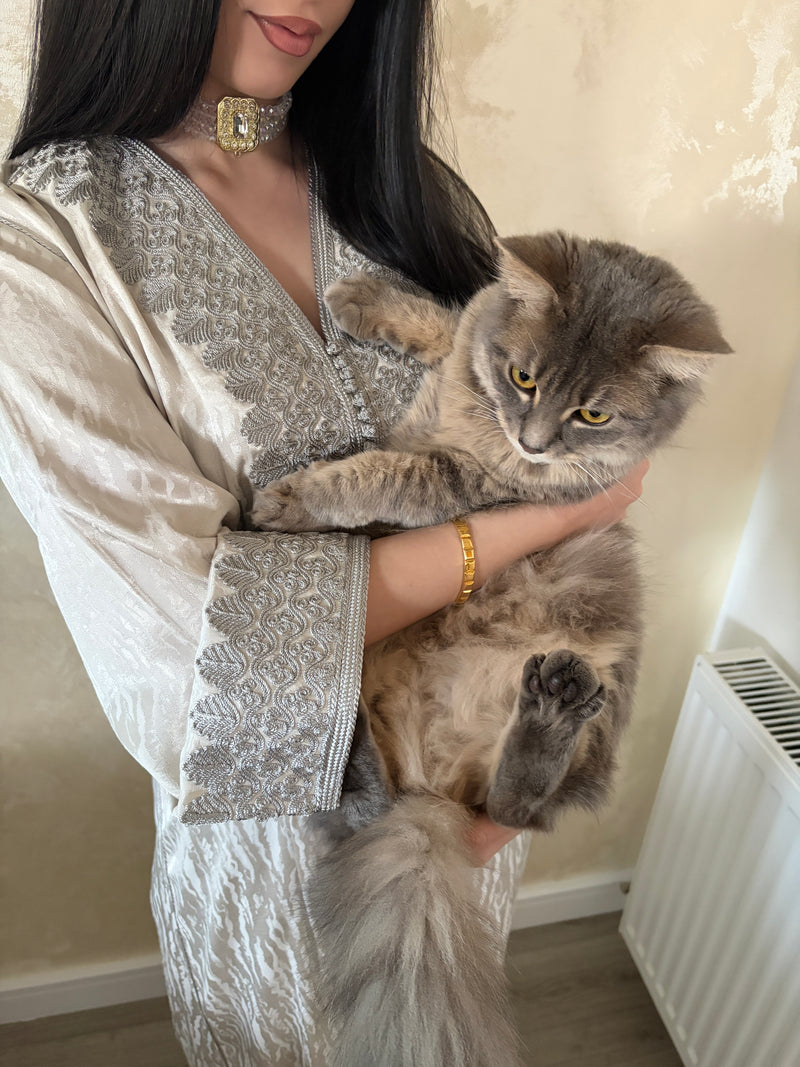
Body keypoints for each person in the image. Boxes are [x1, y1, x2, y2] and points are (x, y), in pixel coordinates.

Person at [0, 1, 647, 1062]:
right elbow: (186, 635)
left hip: (470, 802)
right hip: (275, 857)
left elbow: (521, 425)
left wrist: (499, 812)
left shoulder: (406, 189)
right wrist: (551, 515)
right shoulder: (40, 241)